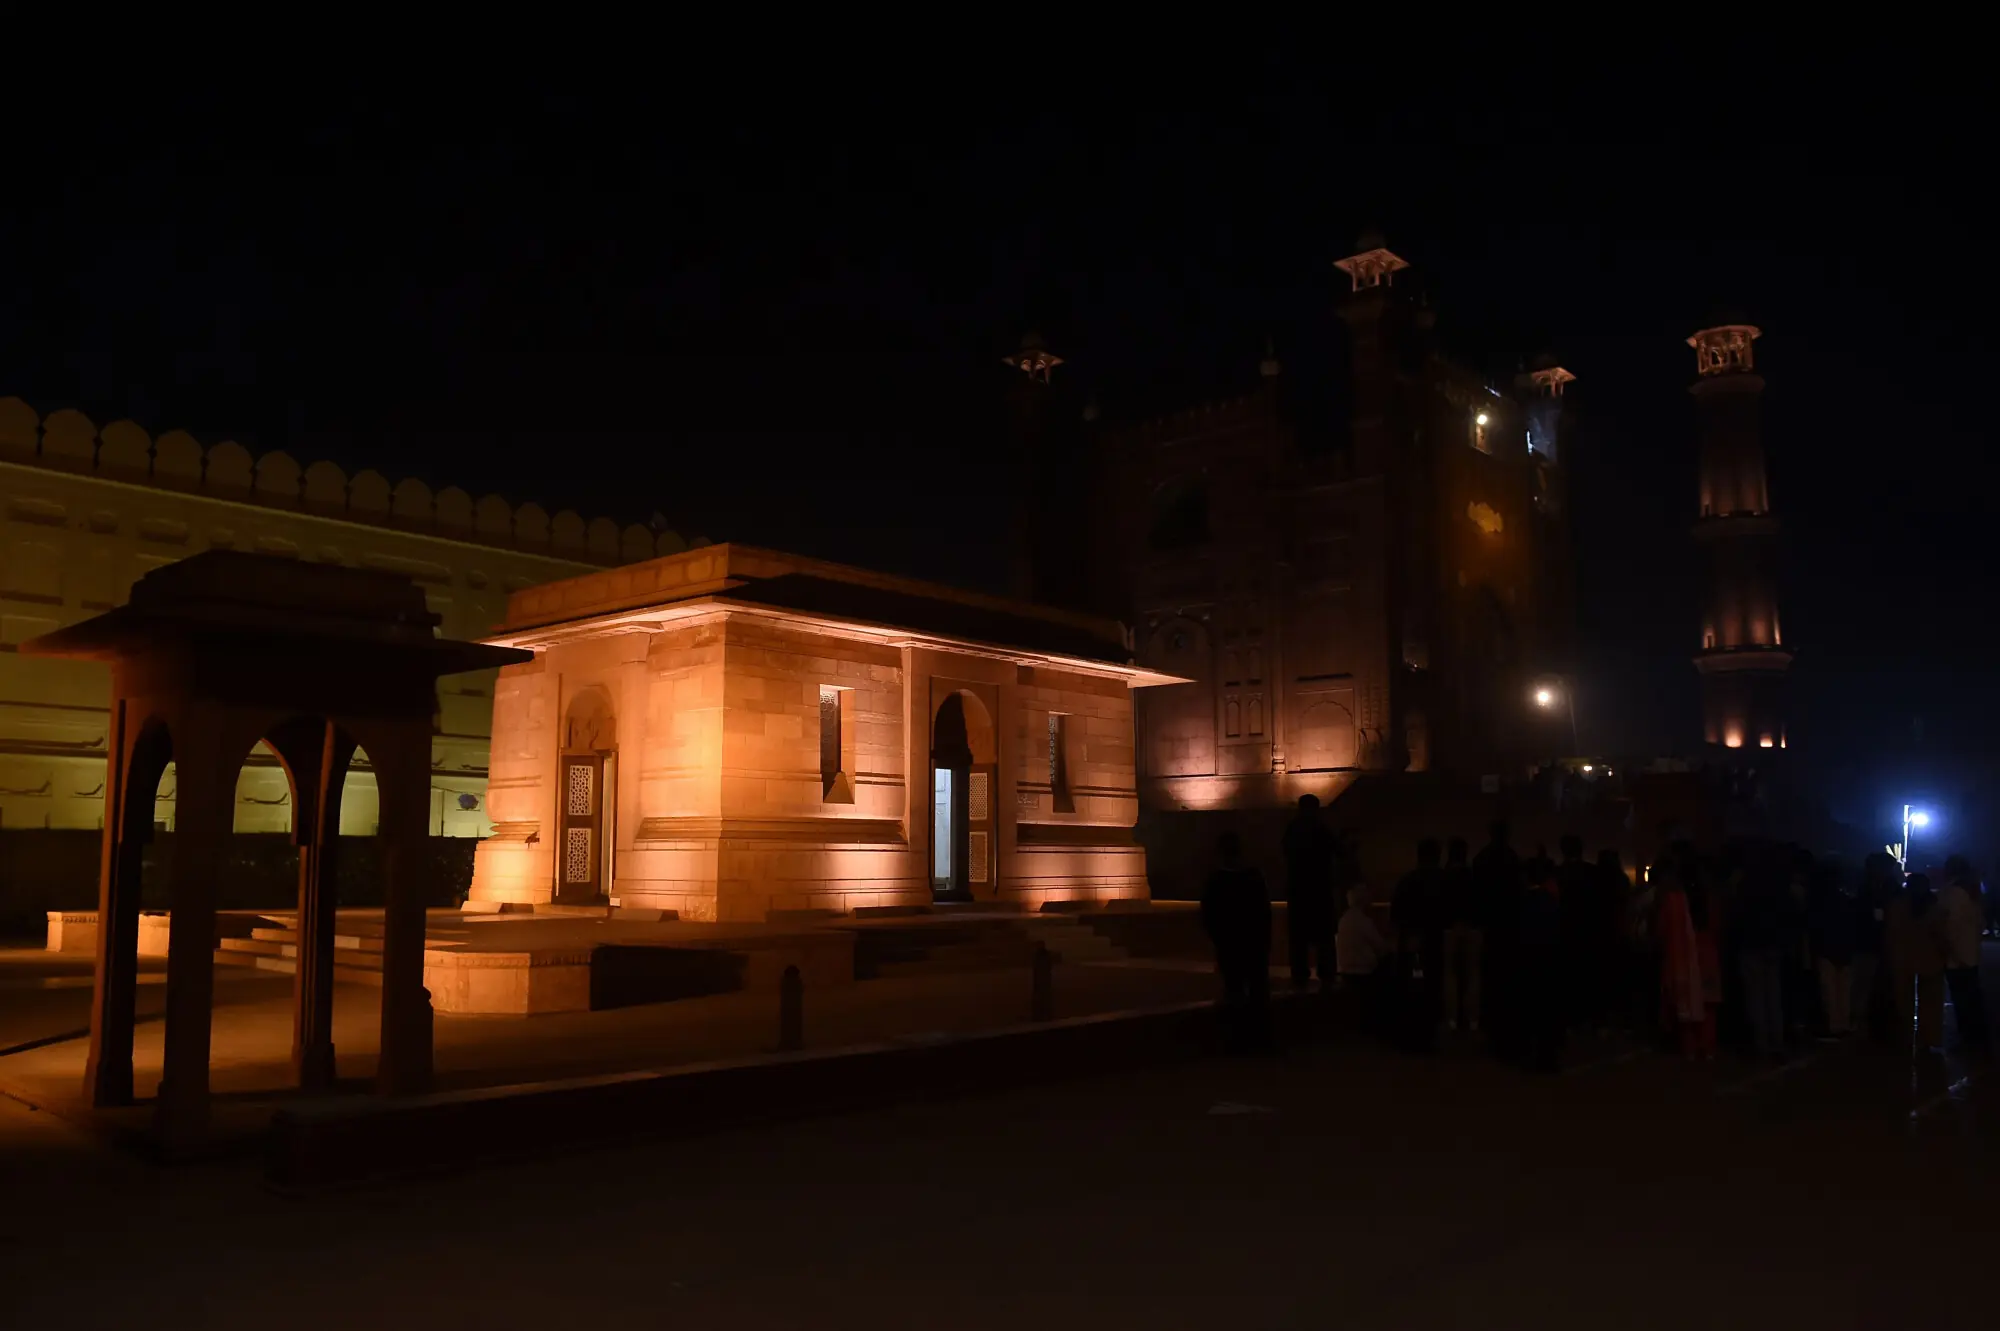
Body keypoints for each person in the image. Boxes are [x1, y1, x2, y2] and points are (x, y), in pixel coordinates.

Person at [1200, 831, 1272, 1049]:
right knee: (1257, 993)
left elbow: (1208, 916)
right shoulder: (1253, 878)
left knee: (1234, 991)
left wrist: (1217, 940)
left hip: (1230, 946)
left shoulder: (1216, 882)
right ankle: (1259, 1038)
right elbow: (1264, 913)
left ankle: (1237, 1040)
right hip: (1253, 945)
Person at [1732, 846, 1793, 1058]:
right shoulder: (1778, 885)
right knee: (1773, 995)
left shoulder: (1745, 885)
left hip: (1751, 944)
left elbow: (1737, 916)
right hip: (1773, 944)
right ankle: (1777, 1041)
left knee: (1756, 996)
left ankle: (1762, 1043)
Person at [1658, 850, 1719, 1060]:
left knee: (1685, 1002)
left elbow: (1663, 928)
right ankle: (1707, 1047)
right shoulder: (1708, 894)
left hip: (1681, 953)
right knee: (1707, 1002)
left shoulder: (1673, 897)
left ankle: (1690, 1048)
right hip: (1706, 949)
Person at [1471, 821, 1524, 1047]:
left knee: (1490, 978)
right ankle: (1506, 1028)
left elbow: (1475, 894)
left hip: (1490, 928)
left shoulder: (1482, 859)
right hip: (1508, 927)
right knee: (1507, 978)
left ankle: (1490, 1027)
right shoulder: (1512, 859)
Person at [1392, 839, 1449, 1042]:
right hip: (1435, 943)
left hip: (1412, 944)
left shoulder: (1408, 880)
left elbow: (1396, 915)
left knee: (1414, 984)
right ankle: (1427, 1034)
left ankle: (1412, 1032)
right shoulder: (1444, 880)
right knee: (1433, 987)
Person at [1281, 794, 1338, 990]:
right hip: (1320, 891)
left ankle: (1299, 975)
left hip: (1298, 892)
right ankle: (1327, 973)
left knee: (1298, 939)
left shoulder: (1293, 829)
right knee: (1324, 937)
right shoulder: (1321, 829)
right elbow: (1334, 851)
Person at [1887, 872, 1947, 1052]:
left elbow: (1890, 933)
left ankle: (1905, 1037)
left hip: (1903, 958)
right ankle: (1929, 1038)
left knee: (1903, 1001)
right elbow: (1941, 934)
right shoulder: (1935, 907)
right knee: (1931, 1003)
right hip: (1931, 958)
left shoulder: (1897, 906)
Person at [1517, 858, 1565, 1072]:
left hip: (1530, 961)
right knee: (1547, 1010)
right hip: (1550, 960)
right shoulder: (1551, 901)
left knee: (1531, 1010)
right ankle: (1547, 1057)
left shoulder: (1524, 901)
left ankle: (1532, 1054)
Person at [1939, 856, 1990, 1053]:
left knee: (1963, 1001)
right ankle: (1976, 1040)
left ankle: (1968, 1041)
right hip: (1970, 953)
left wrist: (1950, 948)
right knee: (1972, 999)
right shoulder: (1973, 891)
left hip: (1956, 956)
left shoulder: (1954, 893)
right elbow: (1981, 924)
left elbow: (1950, 925)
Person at [1806, 863, 1858, 1037]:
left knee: (1830, 992)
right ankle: (1843, 1024)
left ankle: (1833, 1026)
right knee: (1844, 992)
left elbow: (1815, 927)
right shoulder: (1846, 900)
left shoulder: (1818, 901)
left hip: (1827, 950)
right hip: (1844, 951)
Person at [1336, 882, 1392, 1032]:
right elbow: (1381, 946)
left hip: (1345, 968)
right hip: (1364, 970)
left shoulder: (1343, 920)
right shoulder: (1363, 921)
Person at [1440, 836, 1482, 1033]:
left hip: (1449, 928)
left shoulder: (1445, 876)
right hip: (1472, 927)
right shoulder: (1472, 875)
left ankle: (1452, 1019)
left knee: (1450, 974)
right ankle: (1472, 1018)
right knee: (1473, 973)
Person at [1852, 853, 1895, 1040]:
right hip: (1873, 943)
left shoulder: (1864, 888)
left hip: (1871, 943)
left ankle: (1865, 1021)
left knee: (1867, 985)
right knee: (1868, 985)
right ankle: (1865, 1021)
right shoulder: (1876, 889)